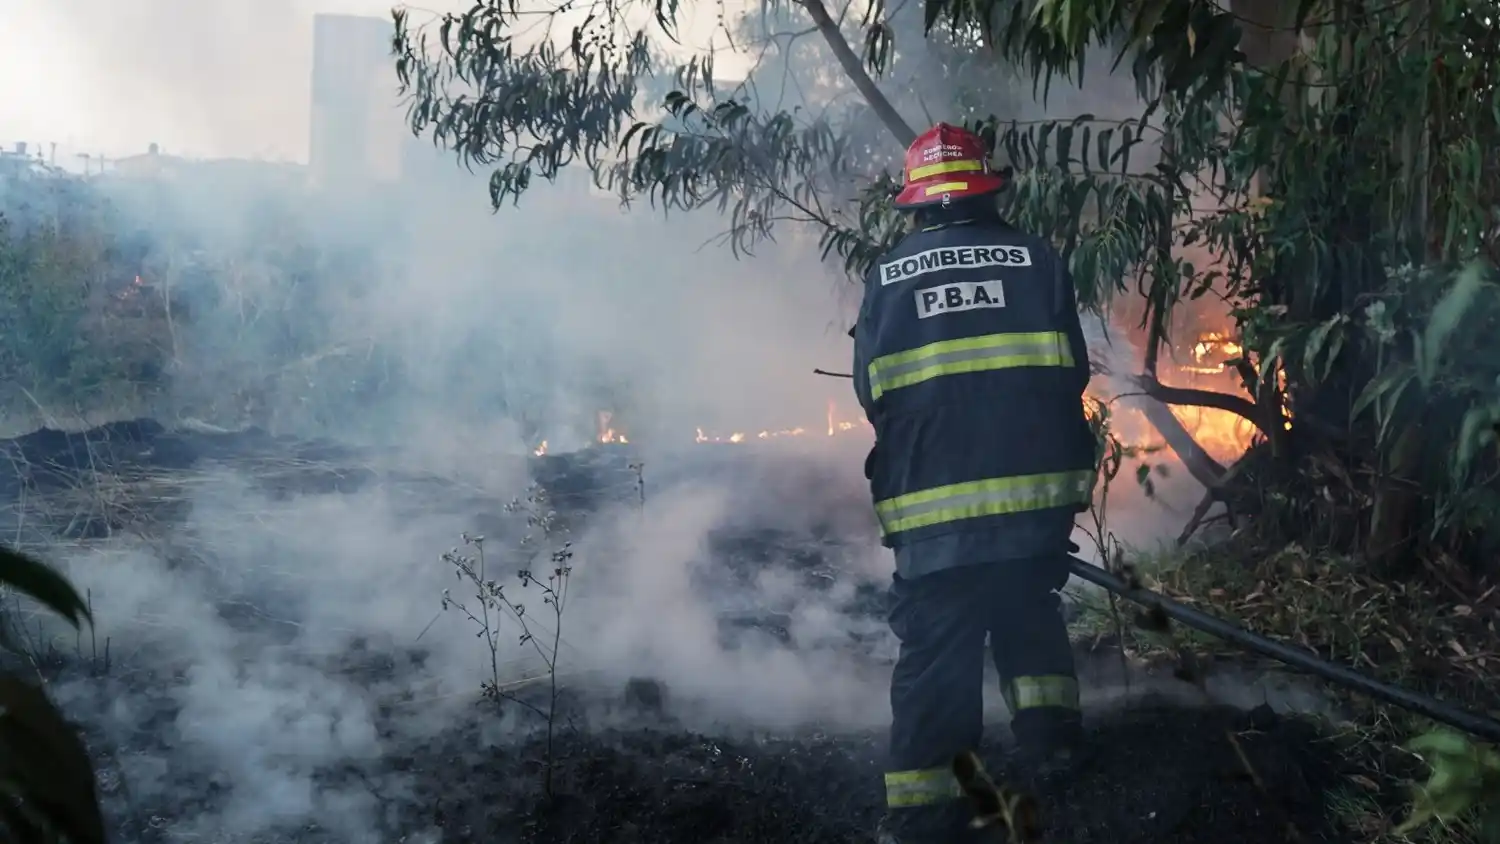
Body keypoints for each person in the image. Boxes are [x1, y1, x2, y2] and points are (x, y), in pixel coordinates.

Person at [849, 123, 1097, 844]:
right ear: (988, 190)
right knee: (1028, 605)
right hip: (1037, 494)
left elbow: (875, 392)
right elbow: (1071, 374)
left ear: (918, 204)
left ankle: (928, 811)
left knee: (938, 641)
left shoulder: (887, 277)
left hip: (935, 506)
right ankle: (1054, 746)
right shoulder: (1037, 259)